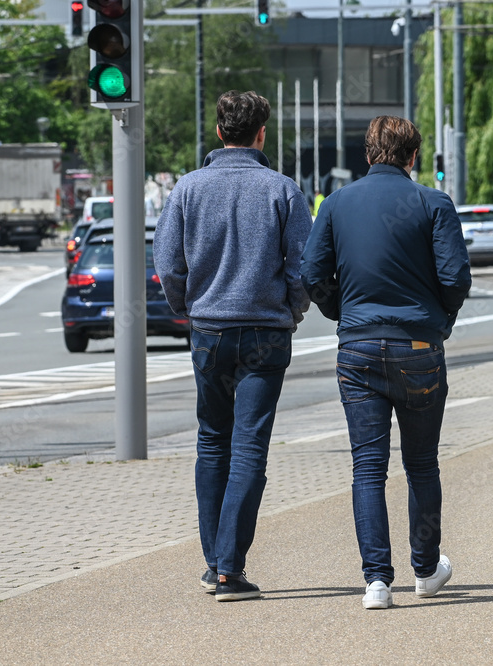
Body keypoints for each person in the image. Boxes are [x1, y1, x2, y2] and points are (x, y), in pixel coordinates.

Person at [301, 115, 472, 610]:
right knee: (421, 464)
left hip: (357, 348)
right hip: (419, 347)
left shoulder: (335, 204)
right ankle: (425, 569)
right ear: (413, 156)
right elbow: (456, 278)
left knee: (367, 468)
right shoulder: (434, 204)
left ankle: (377, 582)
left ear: (368, 153)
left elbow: (312, 274)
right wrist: (438, 320)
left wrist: (343, 312)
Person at [153, 90, 312, 602]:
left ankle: (213, 564)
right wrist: (289, 310)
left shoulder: (188, 189)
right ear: (261, 134)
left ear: (220, 131)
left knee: (211, 441)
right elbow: (302, 268)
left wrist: (188, 307)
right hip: (266, 335)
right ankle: (229, 569)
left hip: (209, 334)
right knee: (249, 447)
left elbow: (167, 265)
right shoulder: (283, 190)